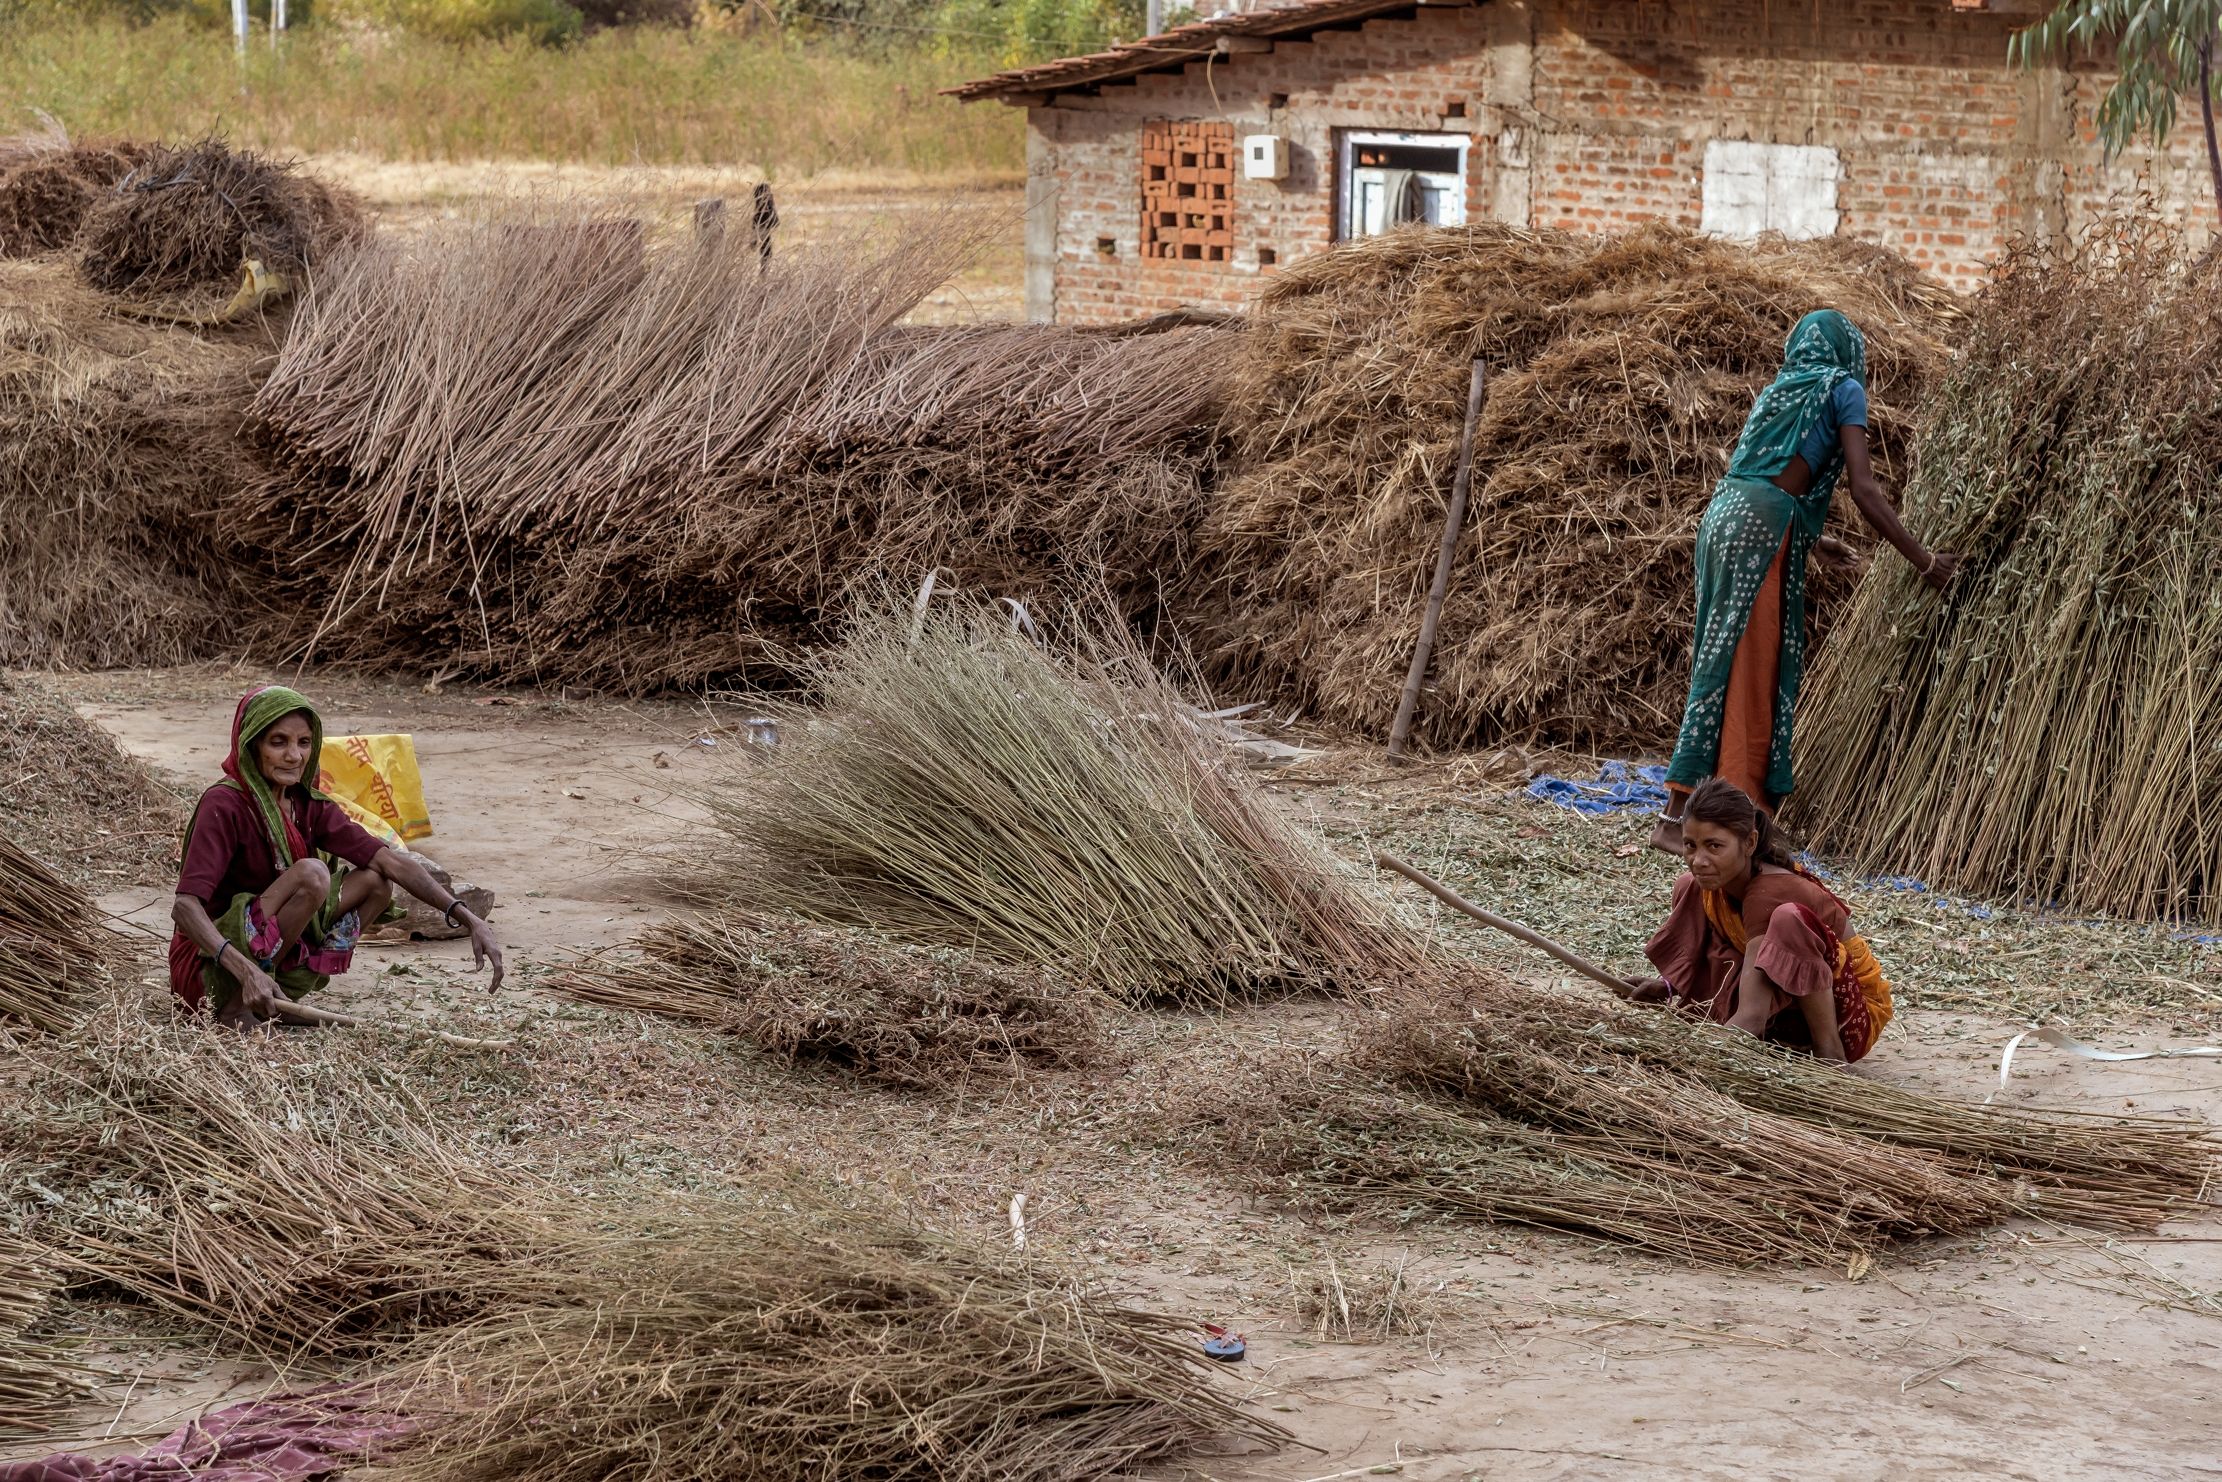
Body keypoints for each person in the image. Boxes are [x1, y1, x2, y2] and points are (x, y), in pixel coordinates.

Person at [1649, 309, 1958, 856]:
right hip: (1760, 529)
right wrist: (1924, 560)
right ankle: (1696, 820)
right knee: (1750, 667)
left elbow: (1763, 474)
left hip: (1724, 518)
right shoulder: (1843, 388)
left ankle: (1719, 817)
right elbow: (1864, 489)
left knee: (1719, 660)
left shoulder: (1780, 390)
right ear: (1848, 353)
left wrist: (1814, 540)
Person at [168, 685, 503, 1029]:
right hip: (209, 969)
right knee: (312, 875)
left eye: (304, 743)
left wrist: (467, 917)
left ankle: (275, 995)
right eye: (278, 743)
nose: (294, 756)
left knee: (376, 882)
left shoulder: (306, 804)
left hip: (262, 963)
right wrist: (246, 971)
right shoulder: (224, 805)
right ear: (251, 745)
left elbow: (388, 860)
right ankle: (233, 1009)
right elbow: (185, 907)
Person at [1633, 778, 1893, 1063]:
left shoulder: (1768, 893)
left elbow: (1751, 1019)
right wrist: (1669, 986)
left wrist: (1686, 1056)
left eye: (1714, 846)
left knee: (1789, 919)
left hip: (1852, 1018)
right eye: (1690, 845)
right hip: (1785, 1007)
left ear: (1750, 843)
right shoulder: (1716, 884)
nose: (1699, 860)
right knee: (1690, 885)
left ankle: (1828, 1053)